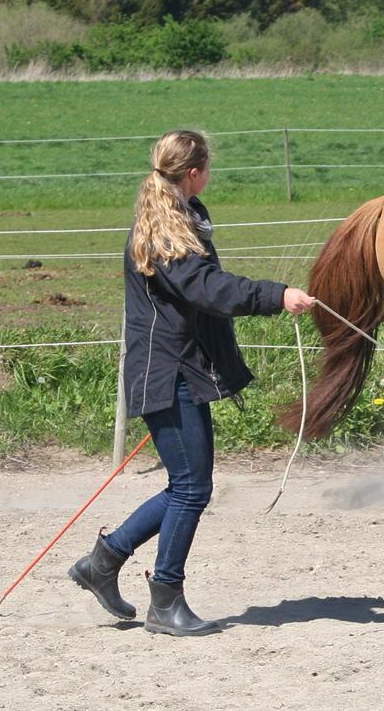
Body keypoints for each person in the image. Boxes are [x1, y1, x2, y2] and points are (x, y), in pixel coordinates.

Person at [68, 129, 314, 636]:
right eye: (208, 166)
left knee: (188, 485)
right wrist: (276, 295)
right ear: (196, 172)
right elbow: (206, 288)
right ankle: (164, 599)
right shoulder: (164, 231)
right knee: (191, 488)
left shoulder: (181, 217)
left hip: (180, 368)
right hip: (166, 372)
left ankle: (103, 563)